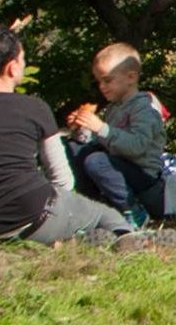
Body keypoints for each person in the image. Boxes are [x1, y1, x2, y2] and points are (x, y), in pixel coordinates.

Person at [0, 27, 138, 248]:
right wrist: (68, 208)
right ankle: (131, 239)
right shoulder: (34, 108)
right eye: (22, 59)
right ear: (12, 68)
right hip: (36, 213)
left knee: (69, 221)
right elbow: (62, 178)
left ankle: (67, 241)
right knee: (105, 215)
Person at [66, 42, 167, 226]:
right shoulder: (114, 108)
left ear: (131, 77)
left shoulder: (144, 107)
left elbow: (138, 146)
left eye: (107, 80)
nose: (102, 87)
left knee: (96, 160)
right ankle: (94, 207)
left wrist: (101, 128)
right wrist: (82, 129)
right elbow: (104, 141)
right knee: (72, 148)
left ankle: (134, 212)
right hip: (119, 172)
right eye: (99, 82)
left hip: (144, 179)